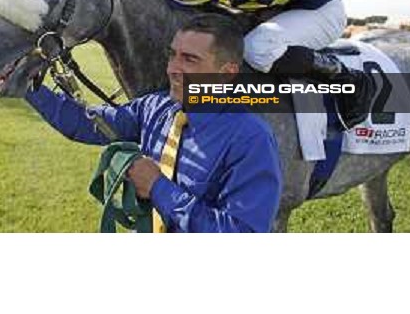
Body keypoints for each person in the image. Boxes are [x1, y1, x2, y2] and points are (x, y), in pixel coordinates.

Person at [24, 14, 283, 233]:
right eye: (173, 55)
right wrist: (27, 84)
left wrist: (159, 188)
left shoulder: (251, 139)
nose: (173, 68)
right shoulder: (155, 108)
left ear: (226, 74)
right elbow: (87, 123)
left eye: (190, 59)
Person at [159, 0, 375, 130]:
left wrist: (280, 7)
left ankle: (345, 76)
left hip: (323, 9)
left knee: (257, 48)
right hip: (280, 7)